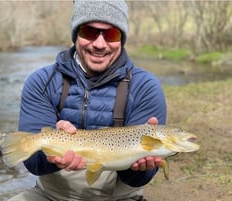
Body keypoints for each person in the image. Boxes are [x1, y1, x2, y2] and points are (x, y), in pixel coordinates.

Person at [8, 0, 166, 201]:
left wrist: (140, 167)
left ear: (122, 38)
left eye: (111, 34)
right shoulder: (42, 81)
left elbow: (138, 180)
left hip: (119, 197)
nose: (100, 44)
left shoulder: (145, 87)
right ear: (76, 34)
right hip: (51, 195)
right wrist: (53, 157)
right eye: (89, 31)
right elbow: (33, 163)